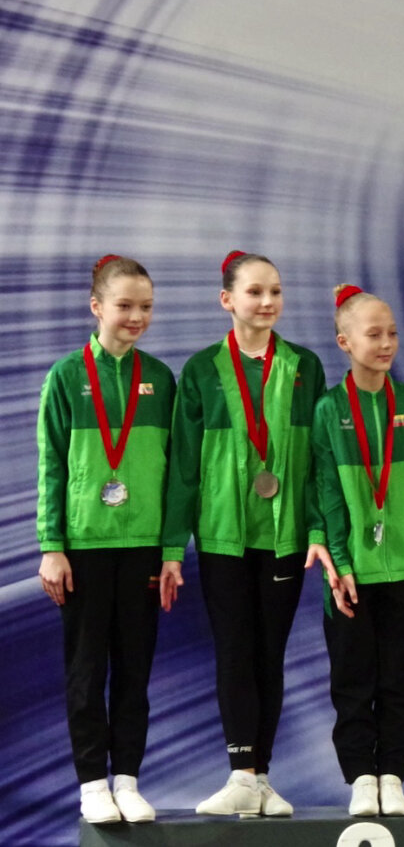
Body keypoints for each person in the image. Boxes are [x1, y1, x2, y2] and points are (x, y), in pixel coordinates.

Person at [161, 250, 329, 816]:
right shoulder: (201, 370)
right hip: (223, 538)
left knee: (269, 655)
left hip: (285, 537)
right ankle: (241, 773)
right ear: (227, 300)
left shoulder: (305, 366)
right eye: (255, 292)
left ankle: (261, 778)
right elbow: (184, 466)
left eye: (275, 291)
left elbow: (319, 459)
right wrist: (172, 547)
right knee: (235, 652)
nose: (267, 302)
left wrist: (316, 528)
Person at [37, 255, 176, 824]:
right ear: (96, 307)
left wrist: (170, 550)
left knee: (135, 670)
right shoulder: (66, 376)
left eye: (146, 306)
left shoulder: (161, 379)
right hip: (84, 547)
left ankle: (129, 781)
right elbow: (51, 465)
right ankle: (93, 783)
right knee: (87, 669)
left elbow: (176, 472)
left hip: (143, 545)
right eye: (124, 305)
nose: (136, 316)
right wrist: (52, 545)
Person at [312, 284, 404, 817]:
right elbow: (324, 492)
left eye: (391, 333)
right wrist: (340, 563)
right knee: (351, 679)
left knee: (395, 679)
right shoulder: (328, 410)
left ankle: (392, 774)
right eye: (374, 334)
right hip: (348, 575)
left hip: (401, 569)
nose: (387, 343)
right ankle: (362, 778)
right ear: (345, 341)